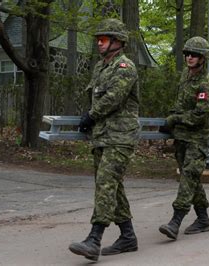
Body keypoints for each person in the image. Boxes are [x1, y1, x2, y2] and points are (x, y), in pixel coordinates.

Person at [68, 18, 140, 261]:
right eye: (98, 39)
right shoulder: (100, 68)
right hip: (102, 136)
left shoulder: (125, 67)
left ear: (118, 42)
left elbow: (113, 99)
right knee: (113, 186)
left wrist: (91, 115)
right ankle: (128, 236)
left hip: (120, 137)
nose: (99, 43)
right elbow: (95, 98)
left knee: (106, 184)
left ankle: (94, 238)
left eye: (104, 39)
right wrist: (89, 119)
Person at [158, 37, 209, 240]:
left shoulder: (206, 83)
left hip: (197, 139)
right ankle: (203, 218)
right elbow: (180, 104)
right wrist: (170, 120)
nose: (190, 58)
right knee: (191, 178)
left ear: (203, 58)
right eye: (187, 54)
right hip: (182, 137)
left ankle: (176, 220)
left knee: (189, 176)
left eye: (194, 55)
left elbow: (200, 115)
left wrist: (175, 119)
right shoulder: (186, 76)